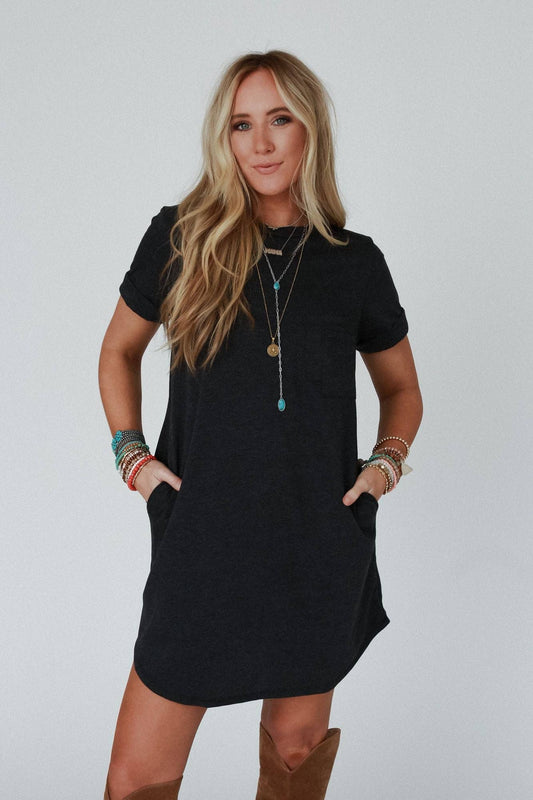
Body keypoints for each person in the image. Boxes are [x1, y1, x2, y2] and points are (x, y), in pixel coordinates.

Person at [98, 49, 423, 800]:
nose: (262, 142)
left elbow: (402, 387)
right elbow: (117, 351)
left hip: (316, 547)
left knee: (296, 752)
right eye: (241, 125)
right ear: (225, 138)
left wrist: (384, 467)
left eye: (280, 119)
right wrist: (132, 457)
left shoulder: (354, 263)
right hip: (202, 542)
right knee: (138, 776)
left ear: (310, 129)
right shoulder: (181, 237)